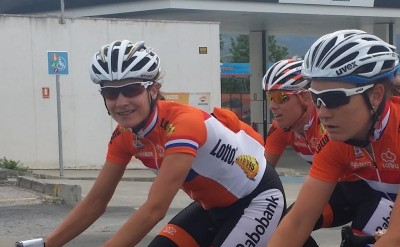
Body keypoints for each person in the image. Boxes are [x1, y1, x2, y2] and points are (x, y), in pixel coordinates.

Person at [44, 40, 286, 247]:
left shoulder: (184, 123)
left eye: (131, 89)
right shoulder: (124, 135)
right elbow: (95, 203)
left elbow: (155, 208)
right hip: (210, 207)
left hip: (258, 199)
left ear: (153, 90)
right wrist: (46, 244)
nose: (121, 101)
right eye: (110, 93)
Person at [267, 29, 400, 247]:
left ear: (375, 95)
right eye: (316, 99)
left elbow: (396, 236)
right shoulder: (334, 142)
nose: (322, 112)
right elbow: (298, 222)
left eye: (334, 98)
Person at [263, 59, 377, 247]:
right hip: (339, 191)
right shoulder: (280, 129)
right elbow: (263, 177)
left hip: (372, 190)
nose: (273, 106)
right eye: (270, 97)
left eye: (281, 97)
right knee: (282, 227)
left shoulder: (330, 125)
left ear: (306, 98)